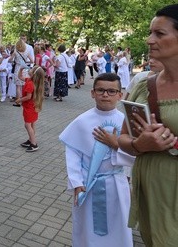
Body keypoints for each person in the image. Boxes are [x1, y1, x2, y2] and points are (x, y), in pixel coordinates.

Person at [117, 4, 178, 246]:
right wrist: (139, 143)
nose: (149, 39)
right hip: (150, 192)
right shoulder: (144, 85)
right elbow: (122, 138)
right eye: (150, 32)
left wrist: (169, 141)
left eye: (160, 34)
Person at [60, 73, 135, 247]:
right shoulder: (81, 122)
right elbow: (73, 154)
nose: (105, 95)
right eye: (100, 90)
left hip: (116, 183)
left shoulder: (126, 122)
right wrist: (76, 183)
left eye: (111, 91)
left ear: (120, 95)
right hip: (88, 184)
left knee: (119, 226)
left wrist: (115, 144)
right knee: (87, 228)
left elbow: (135, 157)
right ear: (92, 93)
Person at [17, 65, 45, 152]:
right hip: (33, 107)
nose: (30, 69)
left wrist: (19, 100)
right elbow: (20, 77)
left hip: (28, 107)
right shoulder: (32, 81)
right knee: (32, 124)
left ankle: (34, 143)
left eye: (32, 69)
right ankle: (30, 140)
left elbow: (28, 97)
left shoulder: (30, 84)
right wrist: (21, 69)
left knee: (27, 125)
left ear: (33, 74)